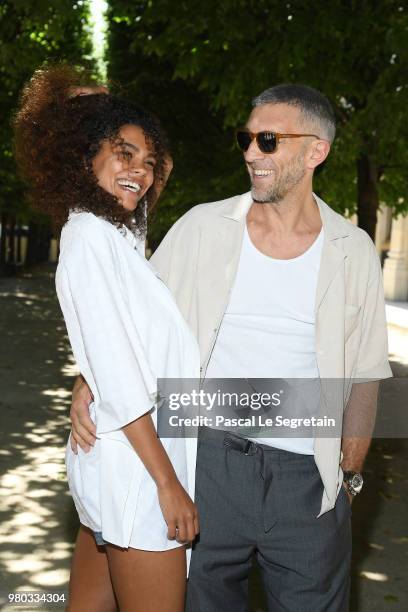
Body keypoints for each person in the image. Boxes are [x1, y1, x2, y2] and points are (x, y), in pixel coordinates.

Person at [70, 84, 391, 611]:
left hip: (307, 482)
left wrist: (347, 478)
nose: (249, 152)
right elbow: (131, 320)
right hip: (207, 465)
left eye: (268, 140)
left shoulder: (352, 251)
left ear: (316, 152)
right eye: (246, 138)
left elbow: (365, 374)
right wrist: (88, 382)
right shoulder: (202, 227)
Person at [14, 65, 200, 612]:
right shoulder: (89, 237)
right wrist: (169, 485)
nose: (140, 173)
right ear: (85, 153)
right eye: (123, 153)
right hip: (139, 469)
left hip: (124, 456)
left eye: (143, 160)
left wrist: (112, 117)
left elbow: (164, 164)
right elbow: (119, 377)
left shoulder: (118, 230)